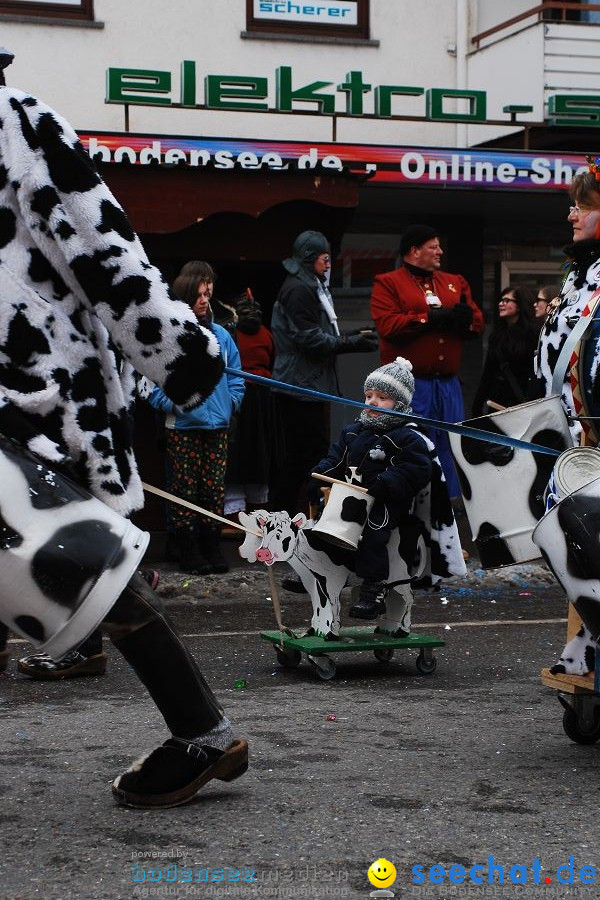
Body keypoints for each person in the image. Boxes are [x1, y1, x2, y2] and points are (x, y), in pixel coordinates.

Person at [0, 48, 247, 807]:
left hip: (43, 401)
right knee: (59, 576)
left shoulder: (19, 125)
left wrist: (180, 355)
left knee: (93, 574)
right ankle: (200, 730)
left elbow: (106, 252)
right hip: (22, 402)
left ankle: (203, 732)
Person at [532, 164, 600, 675]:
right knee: (571, 546)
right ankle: (585, 647)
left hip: (596, 435)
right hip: (576, 441)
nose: (571, 213)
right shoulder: (579, 276)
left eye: (585, 204)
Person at [308, 357, 433, 619]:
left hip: (385, 500)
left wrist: (387, 482)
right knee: (322, 524)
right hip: (351, 495)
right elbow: (336, 459)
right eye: (368, 395)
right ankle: (319, 569)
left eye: (382, 397)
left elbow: (416, 469)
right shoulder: (353, 431)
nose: (372, 402)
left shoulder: (408, 436)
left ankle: (373, 590)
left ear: (399, 404)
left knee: (374, 533)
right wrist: (321, 473)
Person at [144, 261, 245, 575]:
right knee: (185, 489)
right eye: (199, 294)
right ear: (185, 296)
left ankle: (211, 543)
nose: (205, 300)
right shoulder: (168, 336)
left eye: (208, 293)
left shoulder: (222, 336)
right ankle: (186, 546)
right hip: (185, 426)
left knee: (213, 487)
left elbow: (236, 378)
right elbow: (149, 383)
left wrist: (230, 403)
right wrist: (177, 405)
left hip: (218, 425)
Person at [370, 224, 484, 497]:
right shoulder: (388, 282)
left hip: (447, 384)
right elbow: (388, 325)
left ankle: (450, 503)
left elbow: (477, 321)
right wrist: (428, 318)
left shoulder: (454, 281)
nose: (440, 251)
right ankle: (412, 501)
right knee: (412, 441)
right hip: (410, 384)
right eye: (433, 246)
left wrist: (465, 322)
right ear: (414, 250)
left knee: (451, 443)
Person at [270, 230, 378, 517]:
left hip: (307, 381)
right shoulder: (299, 289)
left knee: (310, 454)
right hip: (298, 384)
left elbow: (316, 334)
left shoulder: (310, 286)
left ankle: (298, 513)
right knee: (303, 455)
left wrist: (354, 335)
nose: (328, 264)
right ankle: (281, 515)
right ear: (310, 258)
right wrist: (351, 343)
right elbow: (309, 340)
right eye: (324, 258)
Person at [224, 289, 281, 519]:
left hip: (253, 399)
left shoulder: (240, 332)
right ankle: (245, 513)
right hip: (249, 398)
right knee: (246, 453)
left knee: (248, 454)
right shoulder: (262, 334)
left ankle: (245, 514)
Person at [471, 285, 539, 417]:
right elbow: (488, 373)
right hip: (498, 404)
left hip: (525, 405)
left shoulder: (534, 334)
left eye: (507, 300)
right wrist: (477, 405)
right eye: (501, 300)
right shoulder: (497, 336)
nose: (501, 304)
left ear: (519, 305)